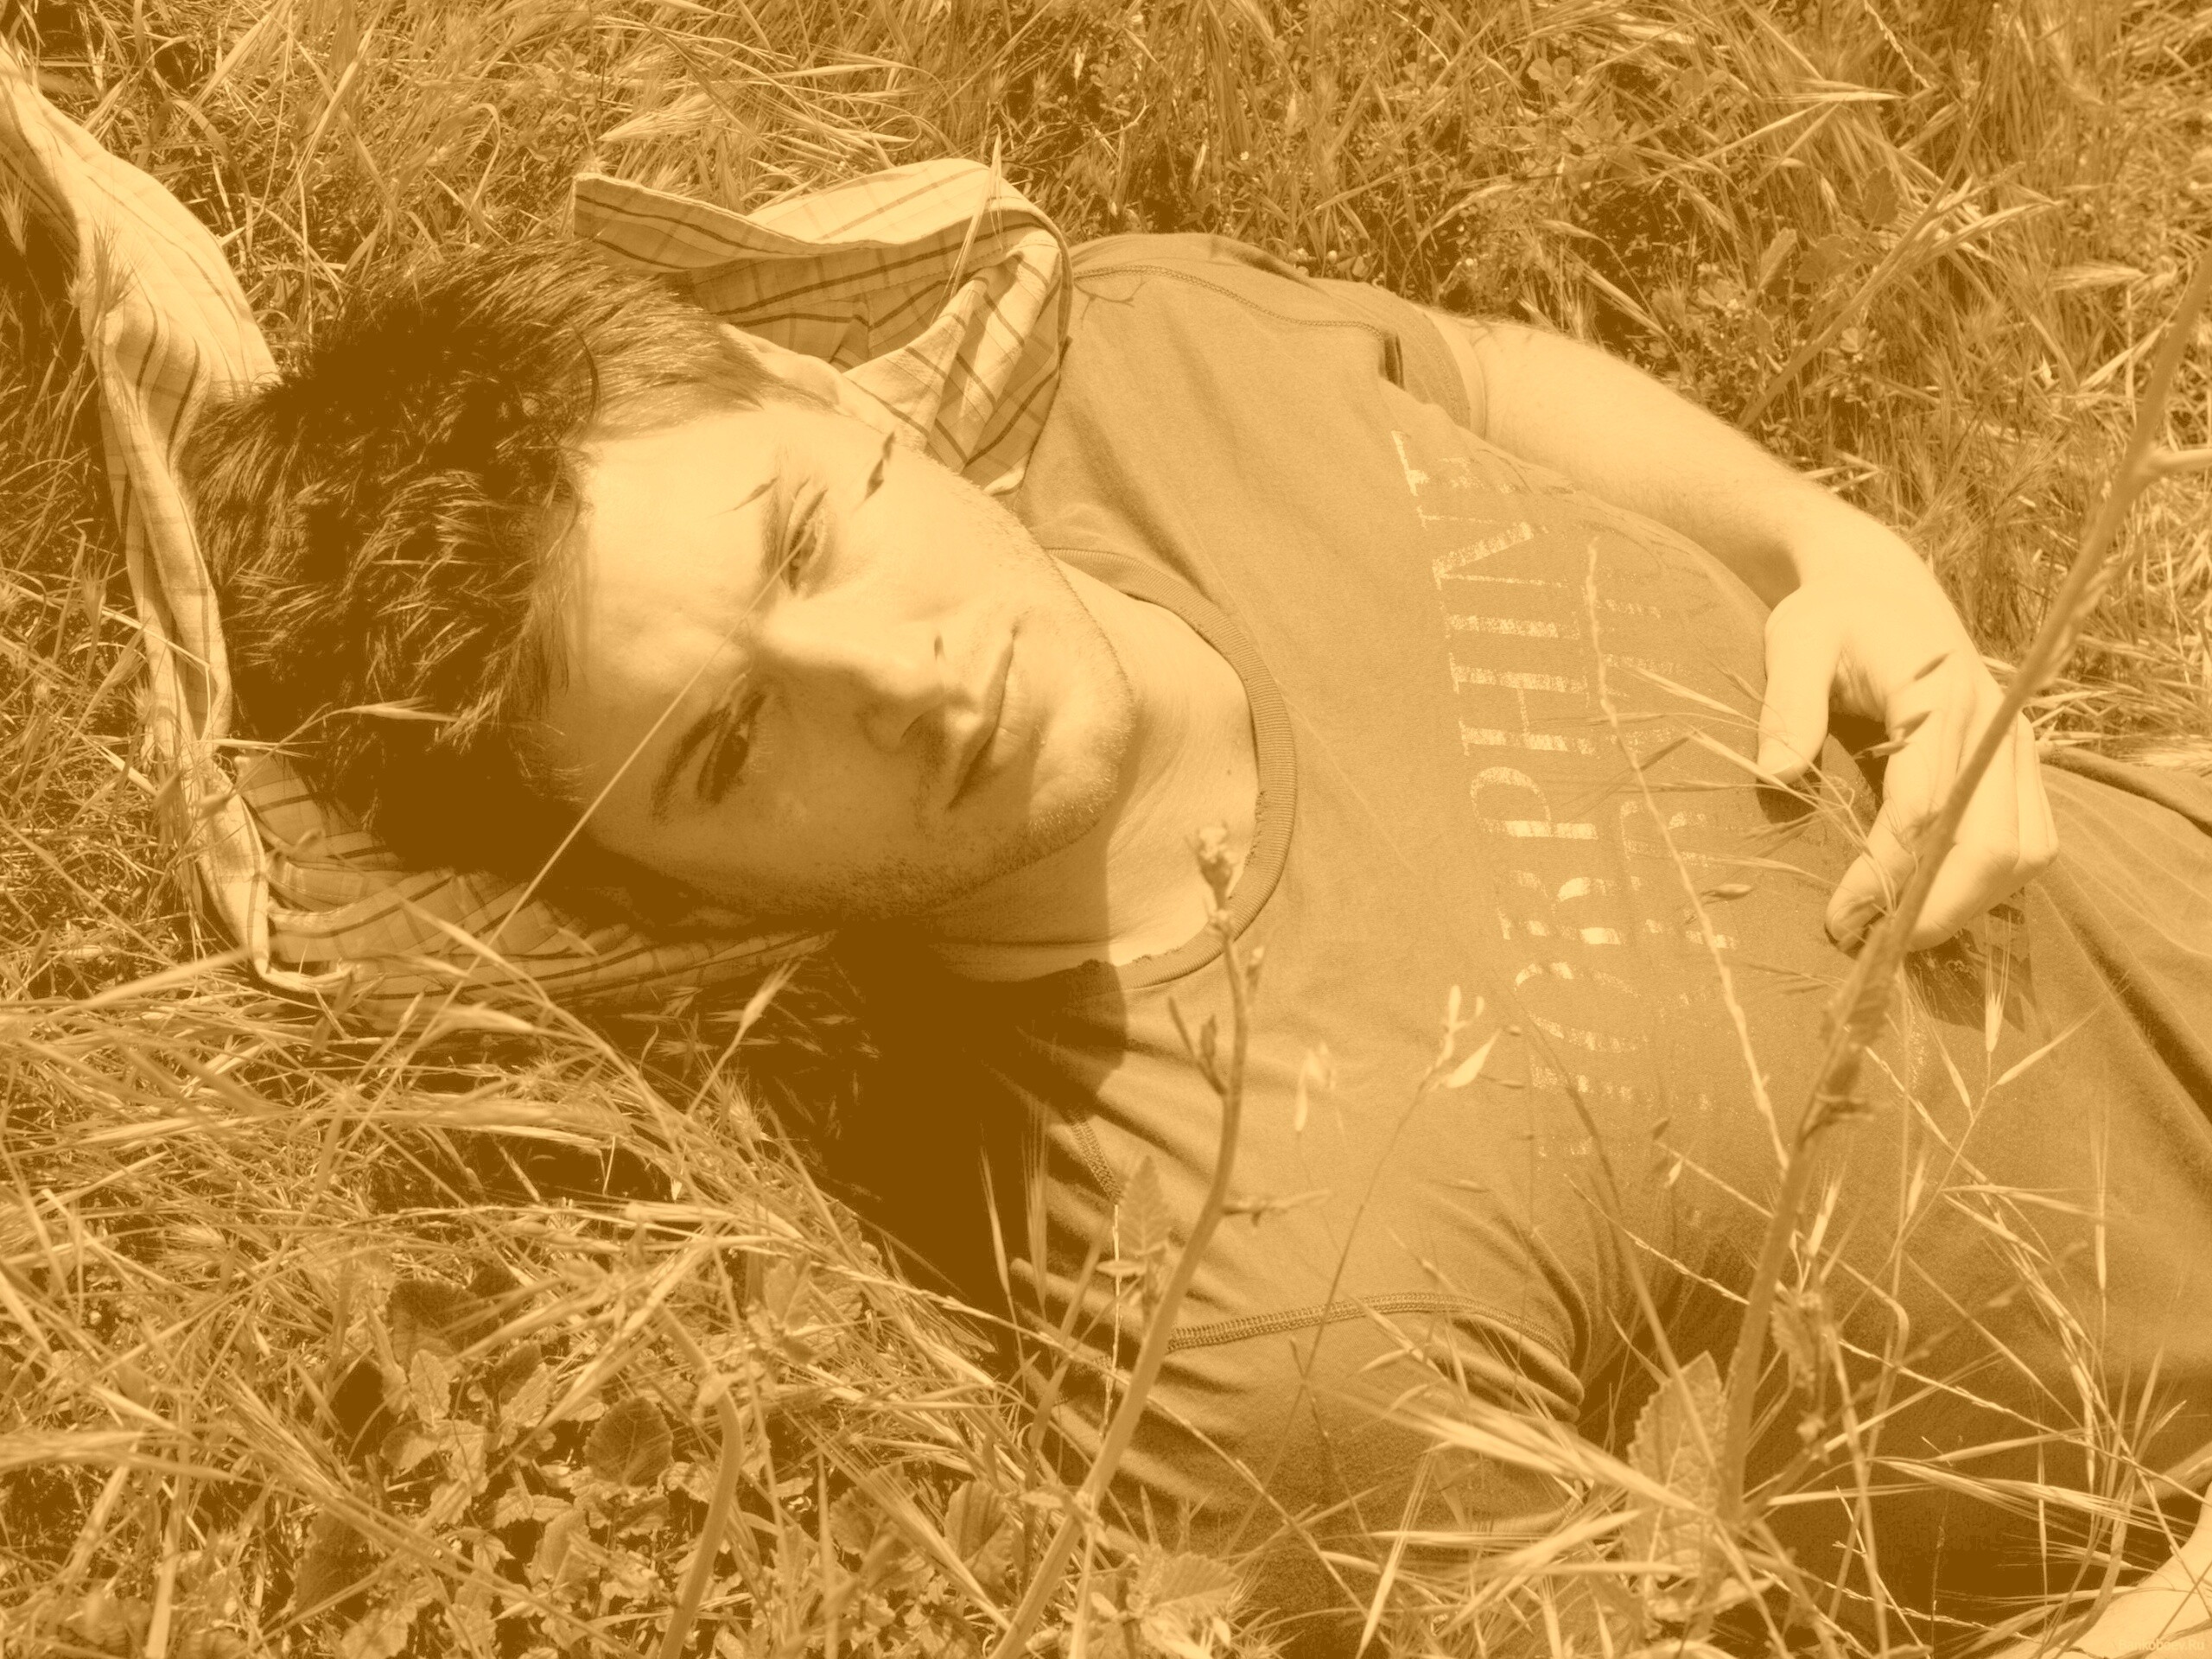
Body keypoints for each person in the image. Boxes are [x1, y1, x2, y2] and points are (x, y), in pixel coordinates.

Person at [181, 232, 2212, 1656]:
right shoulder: (1233, 1332)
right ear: (667, 896)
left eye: (804, 536)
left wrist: (1824, 548)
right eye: (730, 748)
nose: (895, 677)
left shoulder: (1151, 363)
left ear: (817, 391)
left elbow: (1473, 374)